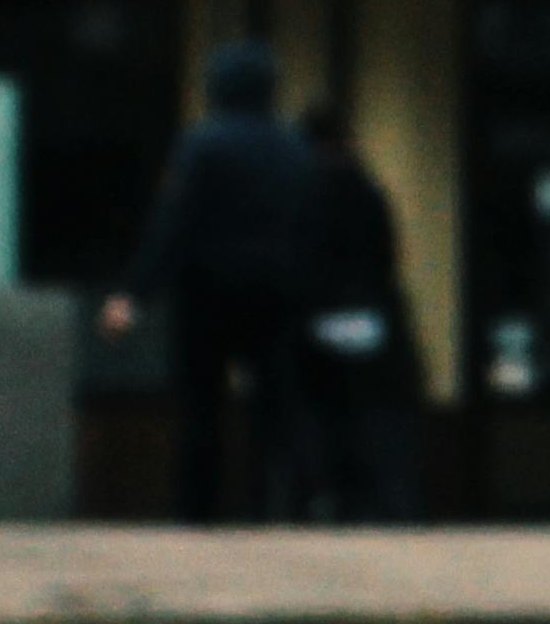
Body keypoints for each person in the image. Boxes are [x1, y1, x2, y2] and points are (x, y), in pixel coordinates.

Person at [104, 42, 321, 524]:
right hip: (277, 292)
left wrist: (134, 294)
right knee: (278, 405)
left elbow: (173, 224)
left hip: (208, 291)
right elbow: (313, 228)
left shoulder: (202, 143)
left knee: (201, 405)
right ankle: (287, 506)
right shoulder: (294, 148)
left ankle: (198, 513)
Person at [296, 98, 418, 523]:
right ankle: (380, 504)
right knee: (372, 422)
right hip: (369, 315)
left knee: (325, 419)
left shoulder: (304, 191)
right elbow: (386, 256)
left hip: (318, 319)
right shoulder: (368, 191)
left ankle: (327, 498)